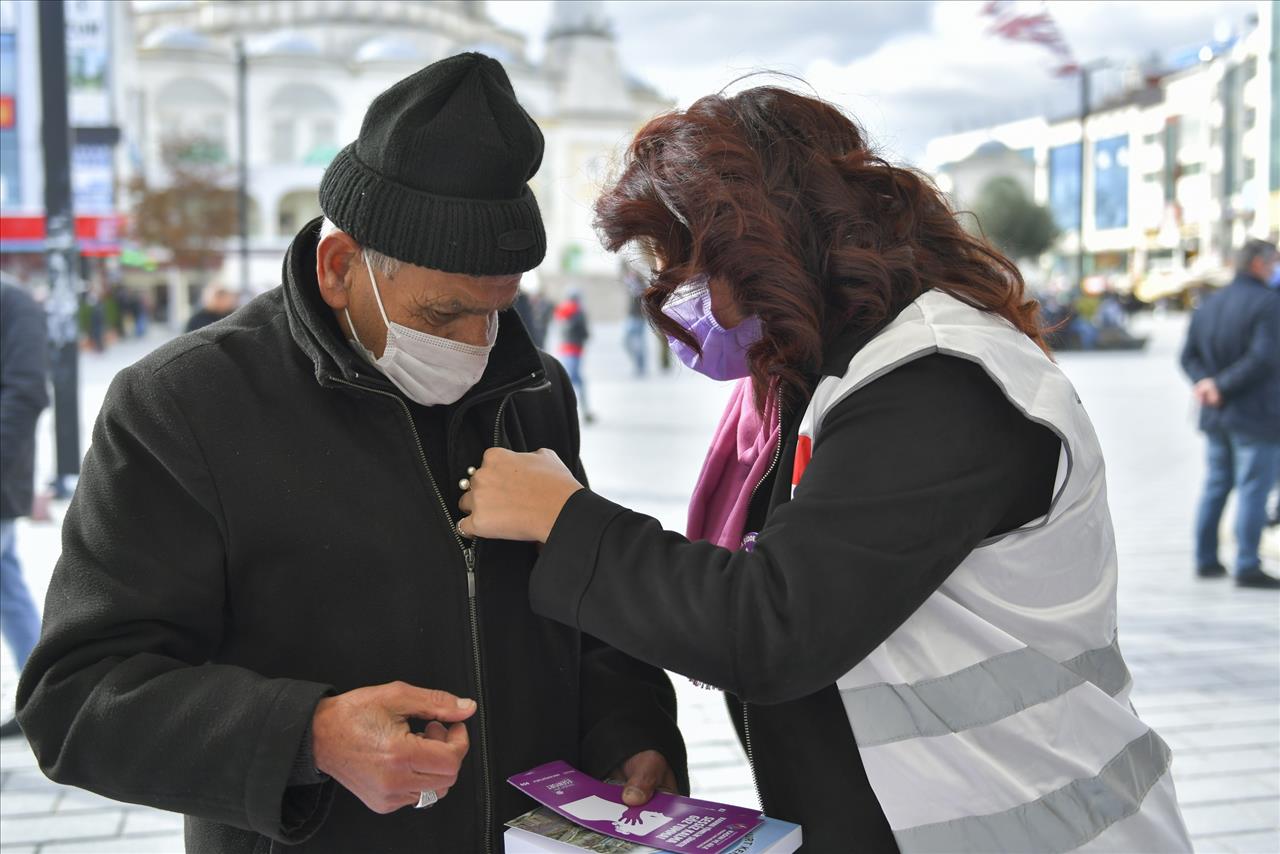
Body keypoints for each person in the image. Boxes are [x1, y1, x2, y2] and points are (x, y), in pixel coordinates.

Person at [457, 86, 1193, 852]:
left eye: (694, 265)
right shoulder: (829, 374)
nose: (684, 297)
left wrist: (564, 518)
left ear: (765, 243)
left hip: (1035, 824)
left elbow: (773, 624)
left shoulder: (939, 383)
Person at [16, 53, 686, 854]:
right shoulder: (184, 405)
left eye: (497, 312)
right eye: (444, 316)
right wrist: (309, 735)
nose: (479, 344)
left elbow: (586, 611)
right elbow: (76, 698)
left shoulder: (531, 390)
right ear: (341, 269)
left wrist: (632, 731)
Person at [1180, 238, 1280, 588]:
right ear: (1258, 264)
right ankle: (1247, 564)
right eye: (1274, 262)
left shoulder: (1209, 304)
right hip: (1254, 413)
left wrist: (1206, 383)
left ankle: (1206, 559)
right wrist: (1220, 386)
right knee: (1254, 487)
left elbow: (1187, 356)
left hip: (1215, 413)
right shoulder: (1269, 304)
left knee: (1217, 484)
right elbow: (1264, 358)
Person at [0, 282, 49, 740]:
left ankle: (41, 695)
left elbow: (27, 391)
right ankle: (42, 695)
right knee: (6, 582)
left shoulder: (14, 305)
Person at [555, 289, 594, 423]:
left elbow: (561, 330)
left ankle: (572, 411)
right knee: (574, 380)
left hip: (566, 349)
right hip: (575, 349)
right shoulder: (578, 312)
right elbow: (585, 333)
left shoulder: (562, 311)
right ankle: (576, 411)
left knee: (572, 379)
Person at [622, 263, 648, 377]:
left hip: (638, 319)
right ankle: (638, 365)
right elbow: (625, 280)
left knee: (638, 344)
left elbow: (634, 288)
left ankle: (640, 366)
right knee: (626, 342)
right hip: (631, 317)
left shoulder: (640, 287)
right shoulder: (633, 286)